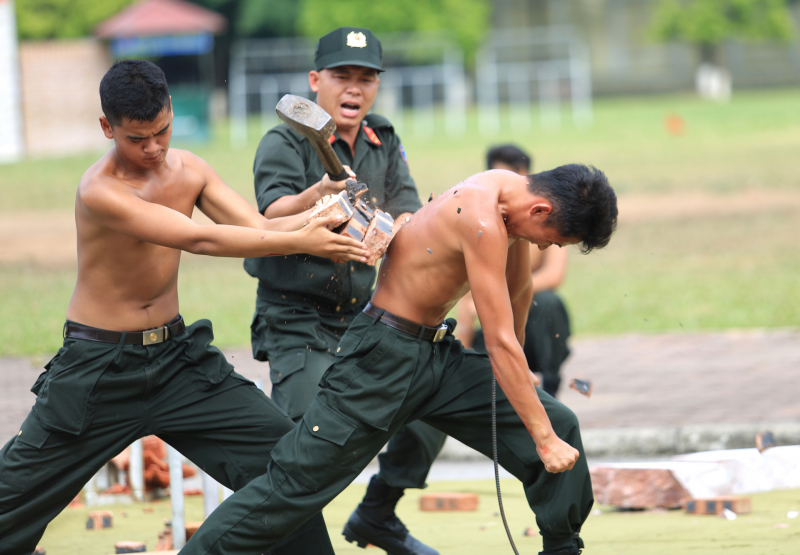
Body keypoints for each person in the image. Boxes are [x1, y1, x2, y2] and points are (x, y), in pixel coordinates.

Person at [0, 60, 370, 555]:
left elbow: (252, 225)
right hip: (99, 370)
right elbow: (200, 238)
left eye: (162, 131)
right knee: (11, 498)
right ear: (108, 128)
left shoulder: (190, 168)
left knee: (286, 465)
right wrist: (304, 239)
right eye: (137, 138)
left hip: (178, 363)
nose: (153, 148)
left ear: (172, 111)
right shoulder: (100, 190)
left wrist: (316, 201)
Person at [181, 163, 618, 555]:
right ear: (541, 210)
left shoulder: (511, 197)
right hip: (380, 360)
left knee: (559, 422)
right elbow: (499, 340)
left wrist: (525, 395)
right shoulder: (482, 216)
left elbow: (519, 294)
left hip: (435, 357)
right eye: (555, 241)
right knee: (292, 487)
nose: (547, 249)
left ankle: (562, 549)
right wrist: (541, 440)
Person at [244, 27, 445, 555]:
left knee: (428, 413)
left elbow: (406, 208)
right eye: (341, 76)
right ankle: (276, 539)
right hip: (296, 319)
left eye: (365, 78)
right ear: (316, 81)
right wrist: (320, 196)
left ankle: (377, 515)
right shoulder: (287, 139)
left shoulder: (383, 138)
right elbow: (270, 213)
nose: (354, 88)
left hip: (365, 316)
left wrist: (392, 224)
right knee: (308, 443)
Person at [458, 145, 572, 397]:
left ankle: (549, 386)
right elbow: (466, 301)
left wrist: (512, 294)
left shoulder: (546, 215)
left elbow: (554, 275)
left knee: (548, 302)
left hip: (528, 325)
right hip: (487, 331)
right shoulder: (476, 219)